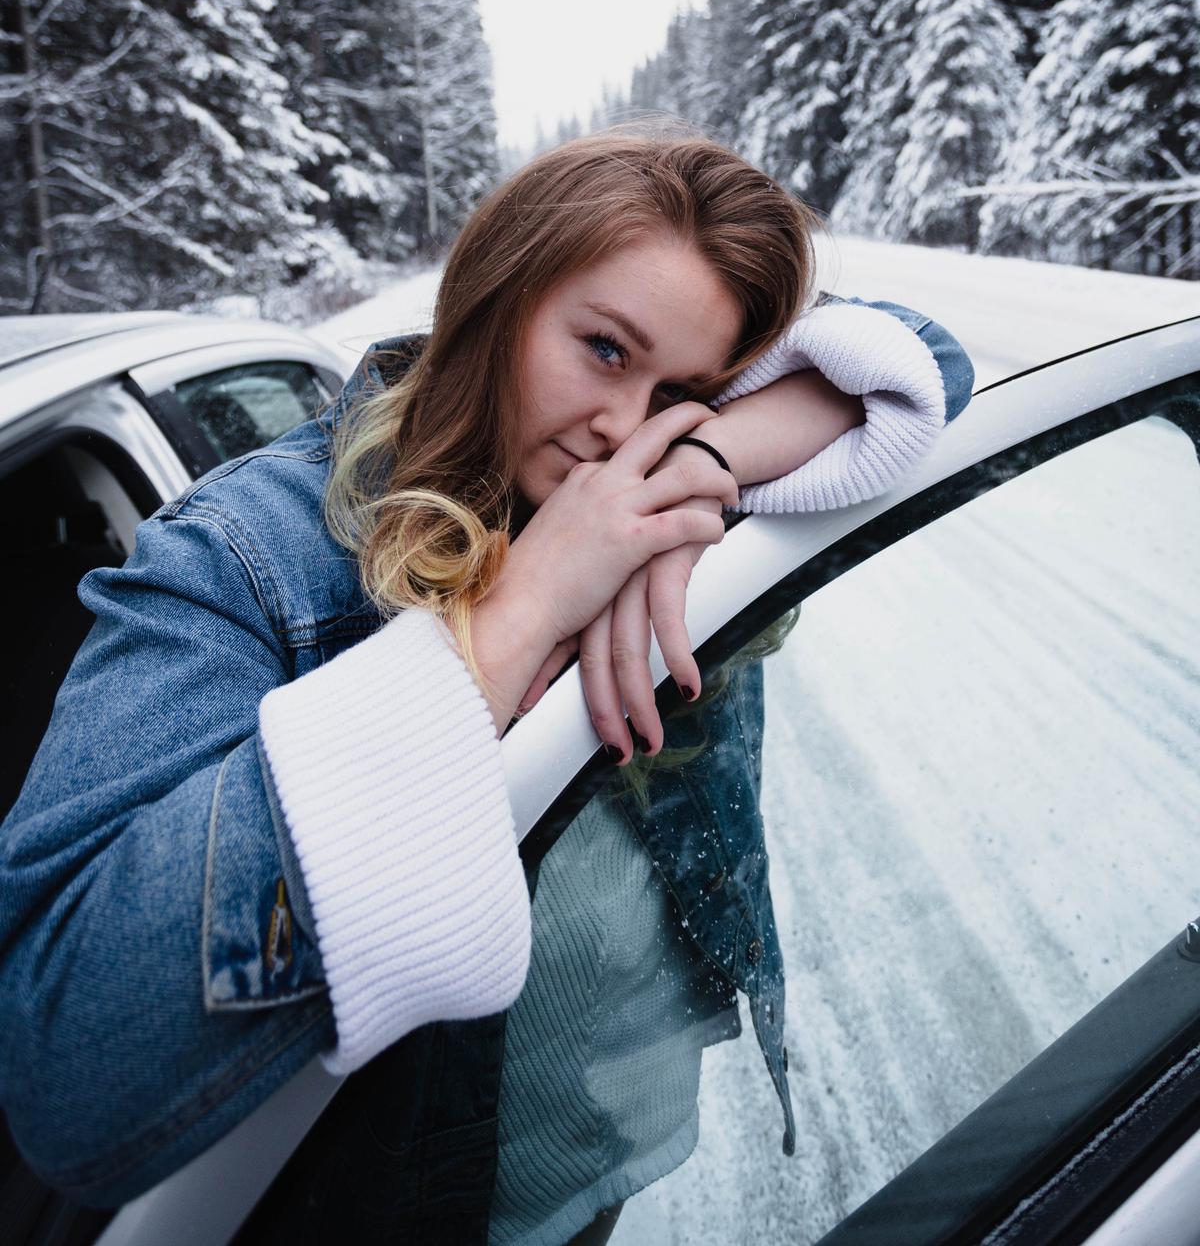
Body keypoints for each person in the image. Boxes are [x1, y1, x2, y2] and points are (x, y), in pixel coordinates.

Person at [0, 129, 974, 1243]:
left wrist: (711, 456)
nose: (627, 433)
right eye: (605, 349)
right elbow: (68, 1063)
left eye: (684, 392)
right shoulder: (243, 554)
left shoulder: (659, 471)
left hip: (598, 1137)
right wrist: (514, 617)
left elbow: (922, 352)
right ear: (494, 297)